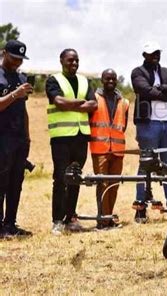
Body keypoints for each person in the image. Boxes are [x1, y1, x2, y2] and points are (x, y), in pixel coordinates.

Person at [45, 48, 97, 235]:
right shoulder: (53, 80)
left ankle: (70, 218)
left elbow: (94, 104)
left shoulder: (85, 81)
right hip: (61, 137)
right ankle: (57, 220)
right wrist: (81, 103)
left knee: (75, 178)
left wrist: (72, 103)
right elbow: (59, 102)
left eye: (76, 61)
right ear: (61, 61)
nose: (74, 64)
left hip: (81, 136)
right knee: (60, 178)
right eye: (70, 60)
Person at [131, 42, 167, 223]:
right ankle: (140, 206)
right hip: (148, 124)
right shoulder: (137, 72)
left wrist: (160, 89)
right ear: (144, 55)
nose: (155, 55)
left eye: (157, 52)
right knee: (145, 164)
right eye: (151, 53)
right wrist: (165, 92)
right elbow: (143, 89)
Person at [0, 40, 33, 237]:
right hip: (2, 137)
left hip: (20, 138)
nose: (17, 63)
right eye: (14, 58)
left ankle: (10, 224)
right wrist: (15, 94)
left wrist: (27, 136)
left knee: (15, 182)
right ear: (4, 53)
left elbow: (24, 109)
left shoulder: (21, 78)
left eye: (20, 59)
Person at [89, 69, 129, 229]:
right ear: (102, 80)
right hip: (100, 149)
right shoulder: (94, 98)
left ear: (117, 80)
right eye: (107, 79)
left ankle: (109, 217)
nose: (110, 81)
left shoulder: (124, 102)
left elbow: (123, 125)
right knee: (102, 184)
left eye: (113, 79)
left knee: (113, 185)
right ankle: (102, 220)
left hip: (118, 150)